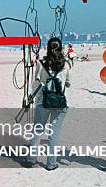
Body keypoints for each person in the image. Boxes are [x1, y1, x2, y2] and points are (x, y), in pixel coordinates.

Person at [25, 37, 71, 171]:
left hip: (43, 101)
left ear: (48, 48)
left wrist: (32, 96)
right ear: (61, 48)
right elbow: (68, 83)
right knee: (54, 134)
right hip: (60, 102)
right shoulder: (66, 64)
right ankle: (51, 163)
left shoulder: (42, 63)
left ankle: (31, 159)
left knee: (37, 131)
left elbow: (36, 83)